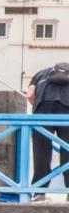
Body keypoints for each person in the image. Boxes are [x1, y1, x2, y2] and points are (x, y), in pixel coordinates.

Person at [28, 61, 69, 197]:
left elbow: (30, 96)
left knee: (41, 152)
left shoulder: (39, 74)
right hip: (67, 110)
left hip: (43, 109)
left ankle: (40, 192)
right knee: (68, 150)